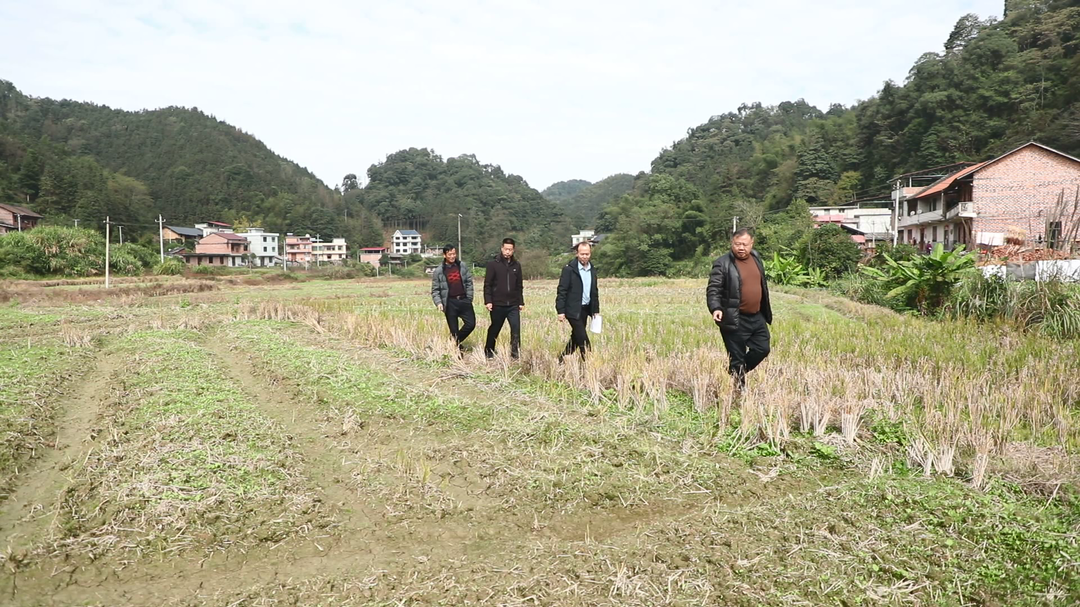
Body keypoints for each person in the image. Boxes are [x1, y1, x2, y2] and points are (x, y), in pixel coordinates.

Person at [706, 229, 772, 392]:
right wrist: (716, 308)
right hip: (734, 318)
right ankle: (740, 391)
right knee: (737, 357)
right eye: (737, 244)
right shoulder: (722, 263)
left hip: (757, 316)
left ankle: (734, 373)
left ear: (752, 244)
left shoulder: (756, 258)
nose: (741, 248)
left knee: (762, 349)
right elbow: (713, 289)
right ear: (732, 244)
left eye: (744, 244)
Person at [555, 241, 599, 361]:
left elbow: (594, 291)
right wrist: (560, 311)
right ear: (577, 254)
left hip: (586, 308)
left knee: (576, 337)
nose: (584, 256)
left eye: (587, 254)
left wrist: (595, 310)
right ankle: (588, 361)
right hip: (572, 309)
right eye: (582, 254)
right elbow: (562, 290)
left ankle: (562, 359)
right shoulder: (569, 269)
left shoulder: (592, 269)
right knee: (583, 338)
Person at [484, 238, 524, 359]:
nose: (507, 252)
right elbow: (487, 284)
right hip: (497, 303)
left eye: (510, 250)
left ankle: (515, 352)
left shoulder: (517, 265)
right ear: (502, 248)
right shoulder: (493, 264)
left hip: (513, 304)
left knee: (516, 328)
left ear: (513, 250)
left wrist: (520, 302)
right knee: (495, 328)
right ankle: (489, 350)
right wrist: (488, 301)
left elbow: (519, 285)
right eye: (506, 249)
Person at [430, 244, 475, 351]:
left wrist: (469, 298)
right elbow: (435, 290)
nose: (452, 256)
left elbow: (469, 282)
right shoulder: (439, 271)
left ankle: (454, 342)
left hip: (464, 300)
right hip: (450, 303)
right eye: (450, 254)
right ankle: (457, 351)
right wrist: (439, 303)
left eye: (454, 254)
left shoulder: (462, 266)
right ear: (444, 255)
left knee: (471, 324)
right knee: (454, 331)